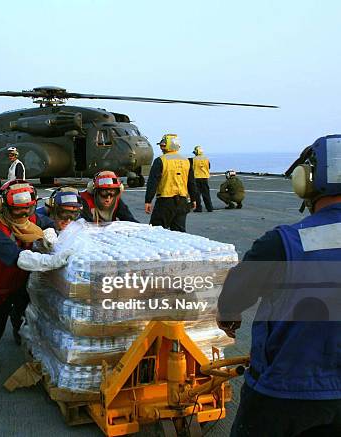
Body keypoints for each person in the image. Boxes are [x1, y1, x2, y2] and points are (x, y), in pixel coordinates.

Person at [217, 135, 341, 436]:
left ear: (307, 182)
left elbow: (234, 295)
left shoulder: (284, 243)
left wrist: (229, 319)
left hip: (287, 393)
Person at [0, 179, 71, 399]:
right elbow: (21, 259)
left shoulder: (30, 219)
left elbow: (46, 221)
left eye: (27, 210)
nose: (24, 216)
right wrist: (56, 260)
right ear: (3, 207)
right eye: (18, 211)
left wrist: (49, 232)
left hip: (3, 288)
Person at [145, 134, 197, 232]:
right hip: (182, 201)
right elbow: (191, 182)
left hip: (165, 201)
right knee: (179, 233)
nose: (161, 148)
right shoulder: (186, 161)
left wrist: (148, 200)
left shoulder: (160, 160)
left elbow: (153, 182)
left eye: (163, 145)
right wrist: (194, 199)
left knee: (156, 231)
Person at [190, 145, 213, 212]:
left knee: (197, 194)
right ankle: (209, 207)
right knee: (206, 193)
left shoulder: (193, 159)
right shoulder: (206, 159)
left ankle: (199, 208)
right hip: (205, 178)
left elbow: (191, 169)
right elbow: (209, 167)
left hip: (196, 178)